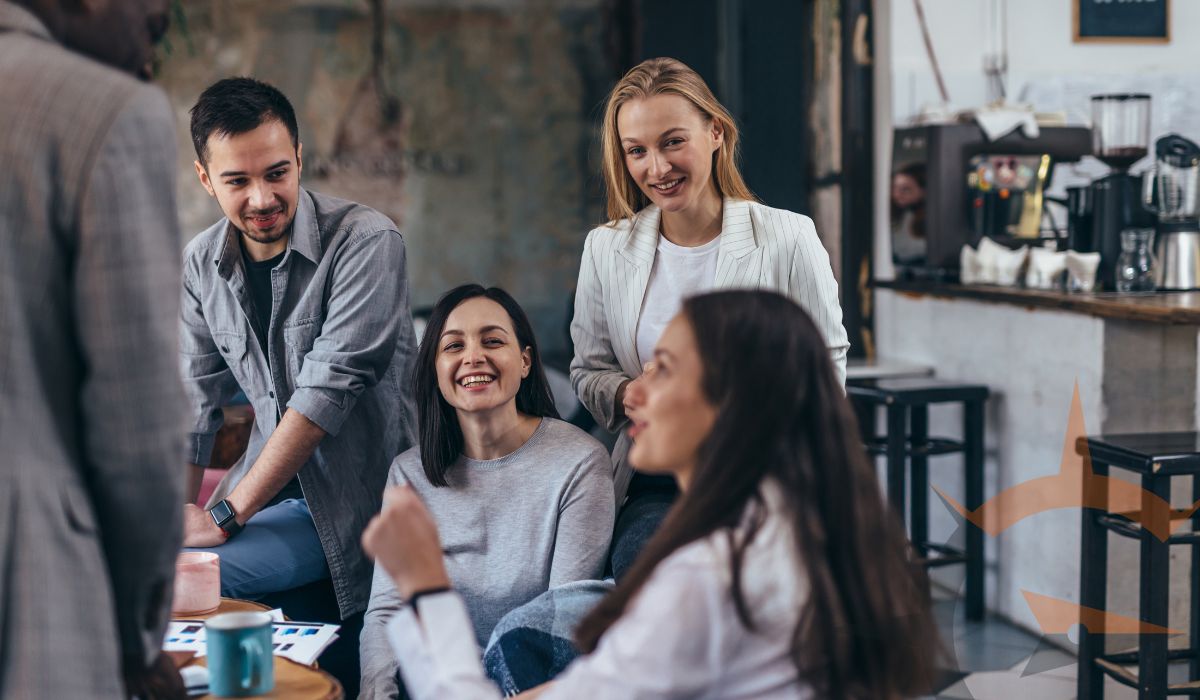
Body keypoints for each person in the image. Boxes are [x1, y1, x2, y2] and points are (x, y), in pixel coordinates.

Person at [363, 289, 936, 699]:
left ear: (729, 401)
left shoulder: (708, 578)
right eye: (451, 346)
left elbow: (559, 633)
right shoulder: (794, 529)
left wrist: (427, 590)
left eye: (661, 369)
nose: (632, 395)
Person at [570, 56, 851, 578]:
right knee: (655, 573)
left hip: (765, 473)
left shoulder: (788, 237)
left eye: (673, 142)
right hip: (656, 482)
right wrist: (626, 393)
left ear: (715, 132)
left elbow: (825, 364)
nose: (657, 168)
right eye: (637, 151)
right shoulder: (606, 249)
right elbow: (588, 370)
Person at [179, 77, 417, 627]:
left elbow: (322, 396)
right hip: (256, 501)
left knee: (182, 585)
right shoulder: (199, 263)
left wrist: (221, 515)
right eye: (237, 180)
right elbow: (191, 406)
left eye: (277, 173)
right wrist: (177, 521)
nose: (262, 199)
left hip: (353, 504)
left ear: (300, 158)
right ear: (205, 179)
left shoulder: (366, 241)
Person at [0, 1, 187, 698]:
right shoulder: (103, 115)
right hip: (30, 597)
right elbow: (138, 433)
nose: (161, 19)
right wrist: (136, 640)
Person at [360, 285, 615, 698]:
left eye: (493, 341)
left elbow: (556, 627)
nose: (473, 357)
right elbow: (387, 610)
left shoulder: (579, 462)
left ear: (526, 361)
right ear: (435, 369)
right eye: (453, 346)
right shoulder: (408, 472)